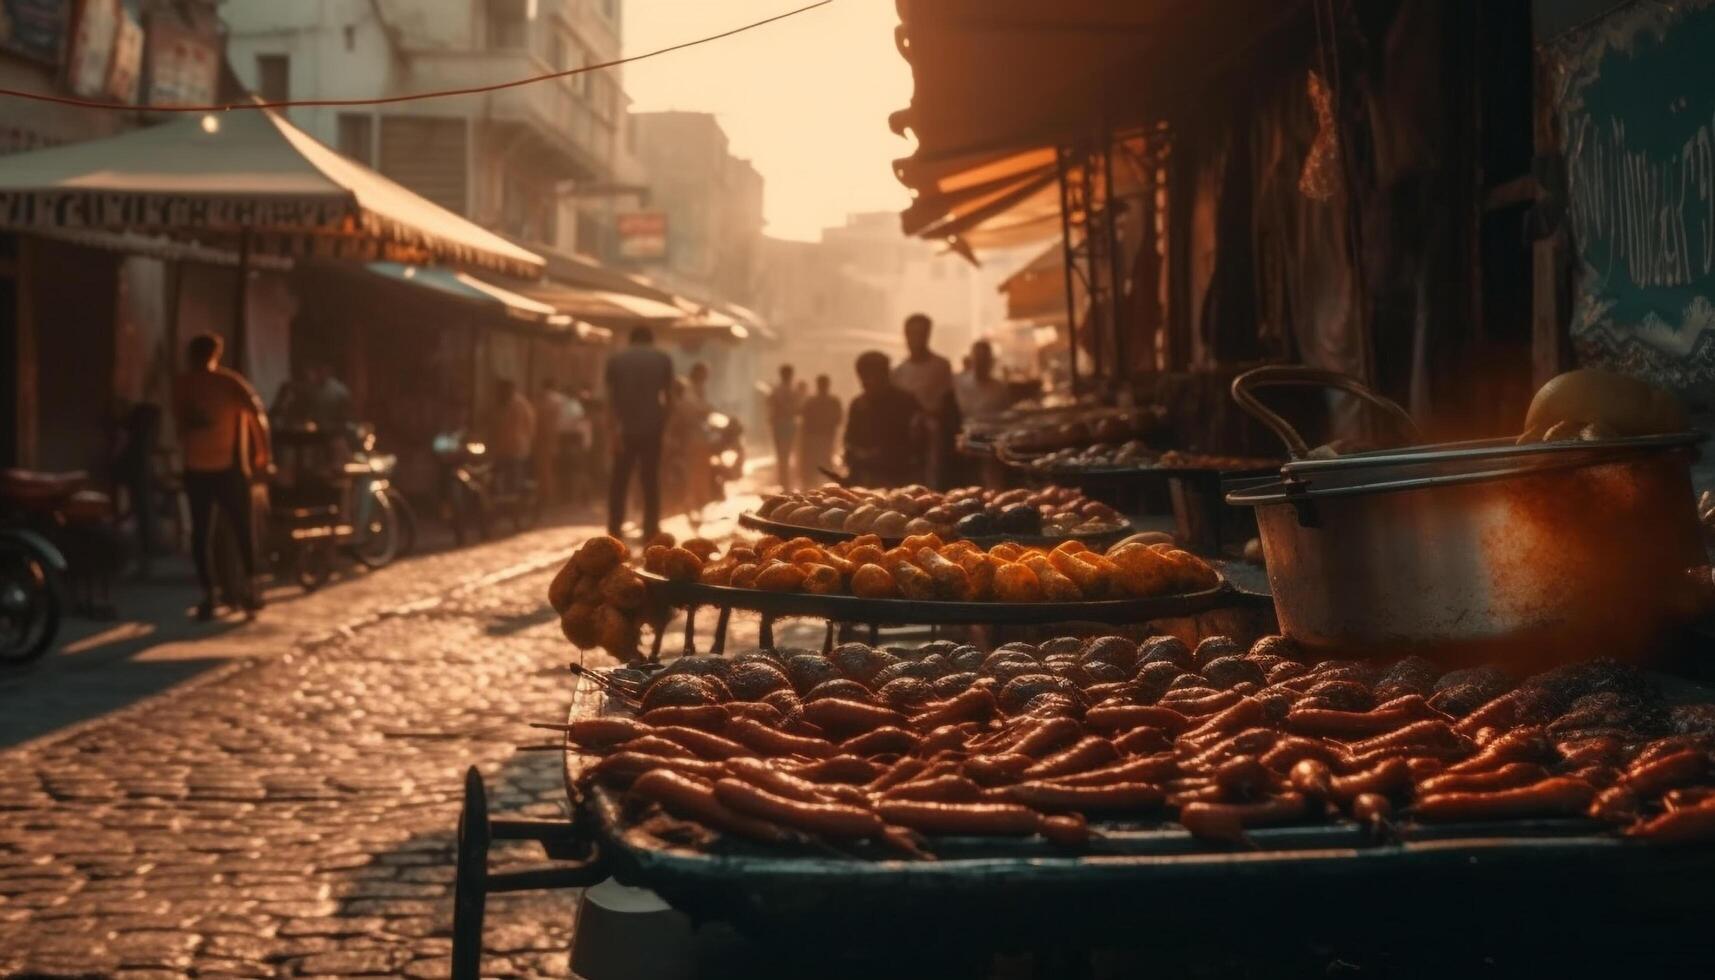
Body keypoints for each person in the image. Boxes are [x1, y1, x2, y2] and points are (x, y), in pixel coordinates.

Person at [171, 333, 271, 620]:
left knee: (202, 533)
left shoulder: (183, 384)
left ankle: (210, 593)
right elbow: (257, 415)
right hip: (227, 469)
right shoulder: (228, 382)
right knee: (240, 528)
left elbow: (180, 425)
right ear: (215, 354)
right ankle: (249, 588)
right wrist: (262, 453)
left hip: (197, 467)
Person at [605, 326, 675, 539]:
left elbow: (609, 400)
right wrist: (665, 427)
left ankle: (615, 526)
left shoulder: (616, 360)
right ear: (651, 340)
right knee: (650, 480)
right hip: (652, 427)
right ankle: (650, 527)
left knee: (619, 480)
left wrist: (613, 431)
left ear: (631, 339)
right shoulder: (663, 359)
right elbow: (670, 398)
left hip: (624, 429)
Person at [891, 313, 957, 487]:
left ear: (928, 335)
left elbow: (949, 403)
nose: (915, 339)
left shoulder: (941, 366)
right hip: (906, 439)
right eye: (911, 334)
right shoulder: (899, 371)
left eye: (920, 334)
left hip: (935, 436)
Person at [843, 351, 924, 488]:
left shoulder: (905, 402)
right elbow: (849, 439)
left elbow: (917, 443)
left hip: (899, 478)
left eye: (870, 377)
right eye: (863, 378)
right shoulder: (858, 404)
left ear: (884, 376)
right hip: (863, 479)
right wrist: (856, 455)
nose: (865, 383)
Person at [489, 379, 536, 494]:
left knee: (515, 475)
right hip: (502, 446)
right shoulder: (499, 403)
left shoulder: (522, 405)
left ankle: (515, 500)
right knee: (500, 474)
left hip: (517, 446)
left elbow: (530, 424)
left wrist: (528, 440)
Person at [797, 373, 842, 487]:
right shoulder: (834, 401)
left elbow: (805, 422)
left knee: (813, 463)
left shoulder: (811, 401)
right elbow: (839, 419)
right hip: (827, 436)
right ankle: (827, 488)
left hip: (813, 438)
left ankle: (814, 488)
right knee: (826, 461)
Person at [954, 340, 1013, 422]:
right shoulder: (958, 384)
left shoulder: (999, 388)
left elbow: (1007, 417)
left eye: (984, 359)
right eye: (978, 358)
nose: (981, 363)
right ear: (971, 360)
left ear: (991, 361)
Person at [765, 364, 800, 490]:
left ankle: (784, 481)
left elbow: (769, 404)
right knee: (785, 454)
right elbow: (797, 408)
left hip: (781, 424)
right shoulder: (791, 390)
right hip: (786, 424)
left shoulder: (777, 389)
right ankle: (785, 482)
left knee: (783, 454)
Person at [534, 380, 568, 504]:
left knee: (545, 467)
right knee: (557, 468)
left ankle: (547, 495)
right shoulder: (561, 401)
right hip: (563, 437)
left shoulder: (542, 400)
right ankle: (554, 495)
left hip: (546, 437)